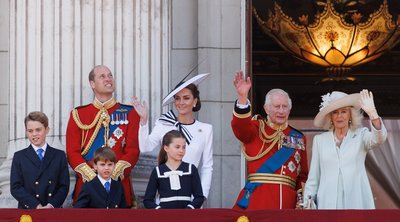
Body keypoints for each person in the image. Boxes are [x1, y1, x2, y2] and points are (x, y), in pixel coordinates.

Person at [231, 70, 308, 210]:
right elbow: (239, 127)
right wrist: (242, 98)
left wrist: (301, 200)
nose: (281, 111)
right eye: (277, 106)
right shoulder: (255, 128)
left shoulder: (298, 137)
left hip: (288, 204)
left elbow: (302, 176)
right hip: (258, 200)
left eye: (285, 107)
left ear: (290, 110)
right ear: (266, 108)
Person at [66, 65, 140, 208]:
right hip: (87, 187)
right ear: (92, 84)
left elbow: (133, 151)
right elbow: (72, 152)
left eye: (110, 75)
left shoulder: (130, 113)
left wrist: (113, 173)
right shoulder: (78, 114)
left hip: (118, 187)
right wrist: (92, 176)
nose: (108, 79)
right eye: (103, 76)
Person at [303, 90, 387, 209]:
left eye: (344, 112)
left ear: (350, 115)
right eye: (335, 112)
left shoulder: (361, 136)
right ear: (330, 117)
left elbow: (379, 139)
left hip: (356, 202)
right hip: (327, 204)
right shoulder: (319, 141)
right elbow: (314, 177)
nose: (339, 116)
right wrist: (308, 203)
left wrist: (373, 115)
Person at [134, 73, 213, 199]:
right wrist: (143, 121)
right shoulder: (164, 123)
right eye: (177, 98)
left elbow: (207, 166)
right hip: (165, 193)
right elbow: (145, 147)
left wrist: (201, 197)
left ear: (195, 101)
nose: (181, 102)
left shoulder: (205, 129)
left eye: (186, 98)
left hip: (192, 195)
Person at [10, 111, 70, 209]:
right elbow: (15, 188)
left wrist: (51, 205)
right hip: (29, 210)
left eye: (38, 130)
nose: (34, 134)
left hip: (52, 210)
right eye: (30, 131)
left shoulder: (59, 155)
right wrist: (36, 205)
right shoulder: (19, 157)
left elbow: (64, 186)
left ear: (47, 130)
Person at [143, 130, 204, 209]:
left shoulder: (191, 169)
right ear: (166, 148)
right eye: (177, 147)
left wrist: (189, 209)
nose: (181, 151)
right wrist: (160, 211)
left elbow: (199, 197)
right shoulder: (158, 171)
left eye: (184, 147)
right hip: (165, 217)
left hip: (187, 217)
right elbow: (148, 200)